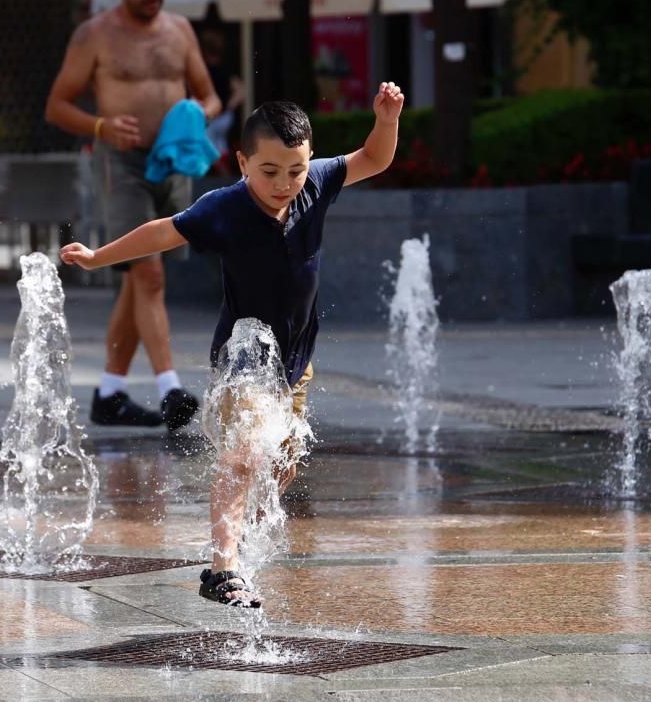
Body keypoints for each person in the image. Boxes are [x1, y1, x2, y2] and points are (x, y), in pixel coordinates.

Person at [62, 83, 406, 606]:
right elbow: (160, 232)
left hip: (295, 362)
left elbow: (375, 159)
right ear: (243, 161)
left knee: (282, 464)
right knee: (245, 448)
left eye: (294, 170)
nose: (284, 183)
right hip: (244, 354)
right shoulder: (223, 208)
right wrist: (96, 257)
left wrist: (385, 119)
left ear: (309, 159)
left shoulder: (317, 182)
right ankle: (221, 568)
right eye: (268, 172)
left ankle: (236, 539)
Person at [45, 0, 222, 432]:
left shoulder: (180, 30)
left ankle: (110, 391)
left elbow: (210, 97)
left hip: (172, 161)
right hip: (121, 164)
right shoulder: (94, 34)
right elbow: (56, 105)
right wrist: (101, 126)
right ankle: (170, 389)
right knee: (149, 275)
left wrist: (192, 117)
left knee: (138, 277)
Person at [199, 28, 246, 162]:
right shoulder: (226, 69)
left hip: (211, 115)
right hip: (225, 115)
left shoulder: (205, 70)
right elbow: (240, 90)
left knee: (209, 144)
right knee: (220, 146)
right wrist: (229, 106)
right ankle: (224, 173)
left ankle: (221, 174)